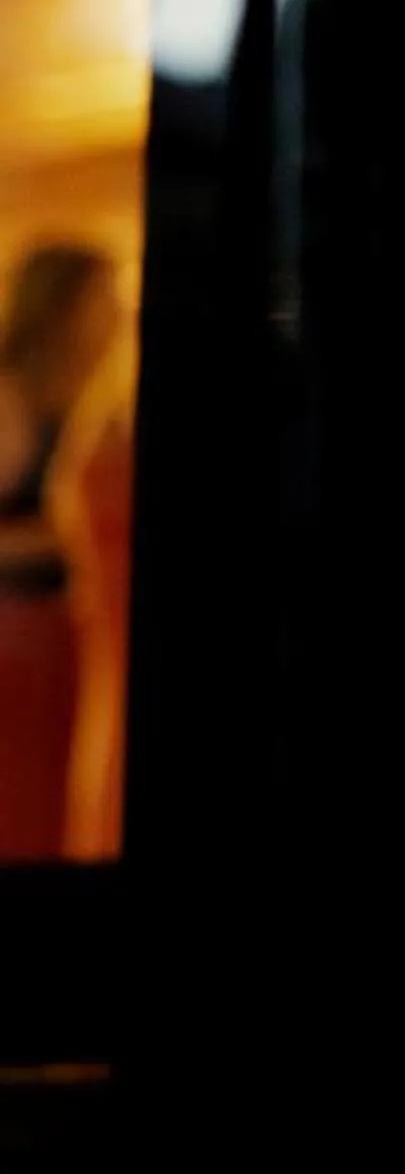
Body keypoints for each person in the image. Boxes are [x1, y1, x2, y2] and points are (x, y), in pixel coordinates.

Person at [0, 243, 119, 861]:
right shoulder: (12, 402)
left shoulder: (89, 403)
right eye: (105, 295)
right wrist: (71, 537)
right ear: (64, 305)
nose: (118, 309)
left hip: (68, 645)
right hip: (18, 648)